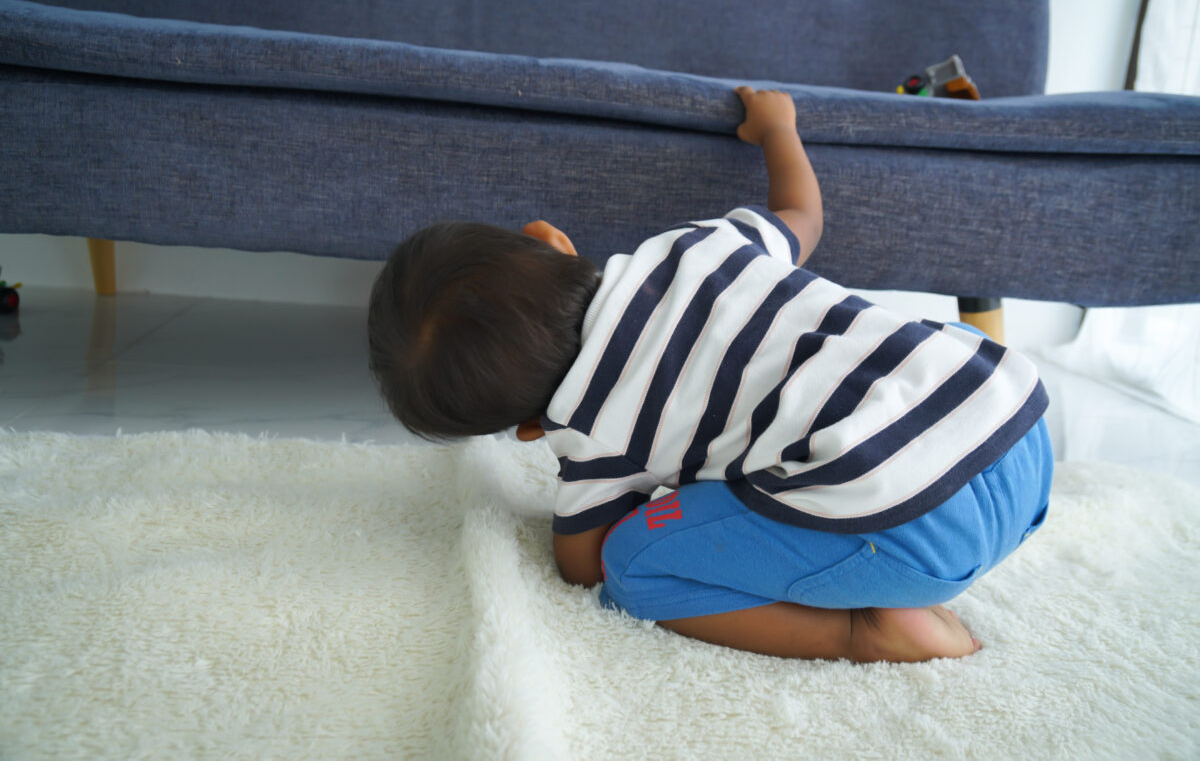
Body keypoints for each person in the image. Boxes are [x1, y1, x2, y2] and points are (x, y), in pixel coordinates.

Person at [368, 87, 1052, 662]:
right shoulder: (696, 245)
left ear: (523, 428)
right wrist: (777, 128)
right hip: (1018, 427)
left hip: (921, 536)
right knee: (910, 347)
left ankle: (866, 631)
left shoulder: (592, 433)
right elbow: (802, 216)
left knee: (633, 566)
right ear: (552, 240)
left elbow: (579, 567)